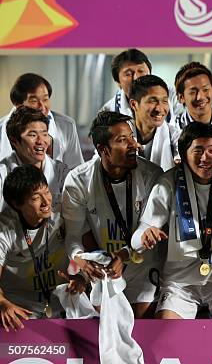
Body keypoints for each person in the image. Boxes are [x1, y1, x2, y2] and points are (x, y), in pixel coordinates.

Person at [132, 122, 212, 319]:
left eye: (211, 150)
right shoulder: (169, 182)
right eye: (198, 150)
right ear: (183, 154)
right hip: (180, 285)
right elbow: (140, 235)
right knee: (167, 336)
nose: (205, 157)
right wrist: (144, 237)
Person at [62, 111, 163, 318]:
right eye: (122, 140)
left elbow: (147, 228)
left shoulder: (152, 175)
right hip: (105, 268)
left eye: (132, 137)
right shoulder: (78, 181)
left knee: (141, 324)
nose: (134, 145)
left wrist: (123, 255)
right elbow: (73, 235)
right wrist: (80, 258)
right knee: (107, 325)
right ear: (103, 149)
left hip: (143, 266)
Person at [0, 166, 86, 331]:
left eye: (46, 192)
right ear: (16, 204)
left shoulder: (63, 209)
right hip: (20, 311)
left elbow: (85, 245)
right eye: (35, 198)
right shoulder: (5, 228)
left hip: (62, 302)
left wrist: (80, 276)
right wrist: (3, 303)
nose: (46, 202)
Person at [0, 73, 83, 169]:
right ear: (18, 104)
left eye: (45, 99)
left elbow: (76, 170)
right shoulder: (2, 128)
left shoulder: (66, 125)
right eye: (34, 101)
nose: (42, 107)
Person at [0, 107, 70, 211]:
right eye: (33, 135)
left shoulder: (62, 173)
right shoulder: (2, 174)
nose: (41, 141)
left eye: (45, 134)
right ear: (14, 140)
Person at [100, 48, 181, 120]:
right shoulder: (108, 111)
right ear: (118, 82)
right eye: (128, 74)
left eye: (141, 71)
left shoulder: (172, 97)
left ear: (150, 74)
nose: (136, 78)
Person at [174, 64, 212, 146]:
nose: (200, 97)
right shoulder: (173, 129)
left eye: (205, 89)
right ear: (181, 97)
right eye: (193, 92)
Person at [128, 75, 181, 171]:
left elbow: (184, 151)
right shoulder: (117, 135)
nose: (160, 109)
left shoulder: (173, 134)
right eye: (152, 101)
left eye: (164, 101)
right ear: (134, 104)